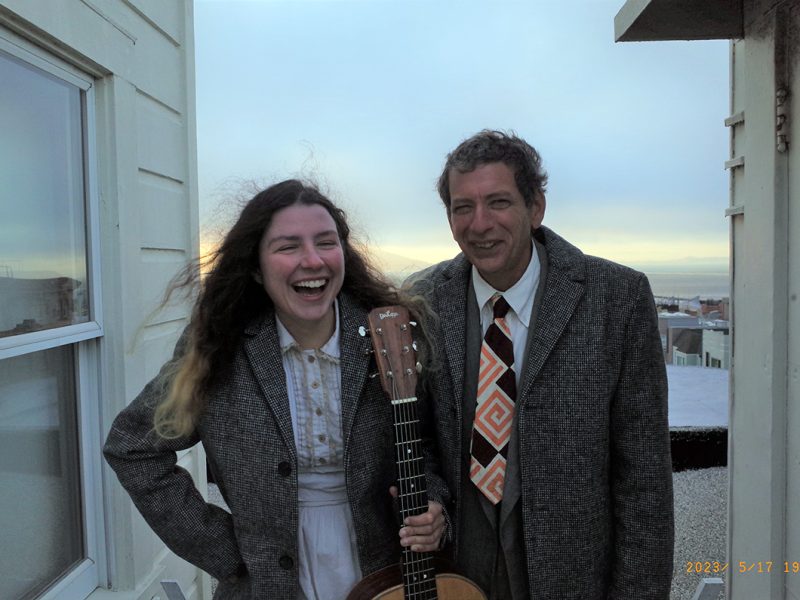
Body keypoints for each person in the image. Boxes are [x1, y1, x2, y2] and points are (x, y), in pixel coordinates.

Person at [104, 179, 448, 600]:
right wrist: (228, 553)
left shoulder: (390, 336)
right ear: (255, 267)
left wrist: (435, 508)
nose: (313, 260)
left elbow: (425, 443)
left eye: (326, 242)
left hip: (387, 575)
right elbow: (132, 447)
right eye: (288, 247)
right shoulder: (218, 347)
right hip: (265, 585)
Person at [406, 130, 674, 600]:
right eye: (463, 207)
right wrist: (433, 503)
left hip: (575, 581)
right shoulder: (422, 300)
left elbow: (644, 479)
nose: (479, 224)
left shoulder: (618, 299)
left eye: (498, 202)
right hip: (456, 579)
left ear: (536, 208)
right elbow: (416, 435)